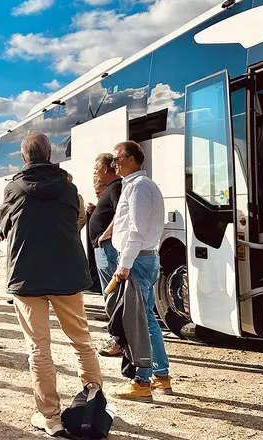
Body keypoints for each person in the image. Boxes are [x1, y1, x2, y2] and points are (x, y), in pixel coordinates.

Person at [0, 132, 102, 437]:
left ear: (24, 158)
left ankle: (51, 417)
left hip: (27, 275)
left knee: (39, 349)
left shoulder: (13, 188)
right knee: (81, 341)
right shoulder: (70, 189)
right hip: (66, 274)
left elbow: (4, 226)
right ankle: (93, 406)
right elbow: (78, 221)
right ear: (50, 154)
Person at [108, 141, 171, 400]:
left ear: (132, 159)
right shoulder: (137, 186)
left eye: (117, 158)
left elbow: (137, 230)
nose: (114, 163)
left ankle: (142, 380)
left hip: (136, 261)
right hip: (141, 259)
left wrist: (124, 265)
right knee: (145, 319)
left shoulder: (140, 187)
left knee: (136, 323)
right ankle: (161, 375)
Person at [88, 154, 124, 357]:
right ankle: (116, 333)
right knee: (107, 291)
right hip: (102, 247)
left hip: (108, 247)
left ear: (107, 169)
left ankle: (117, 339)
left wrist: (106, 233)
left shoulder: (117, 186)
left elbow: (120, 213)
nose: (94, 171)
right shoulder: (111, 188)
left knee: (112, 292)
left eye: (97, 167)